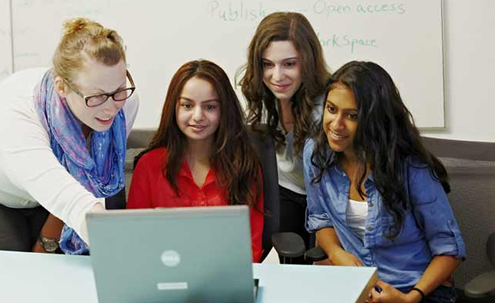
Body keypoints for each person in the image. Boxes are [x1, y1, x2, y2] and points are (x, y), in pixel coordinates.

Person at [0, 18, 139, 255]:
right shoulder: (18, 115)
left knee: (67, 268)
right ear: (62, 87)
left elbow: (83, 182)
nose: (111, 108)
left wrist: (47, 241)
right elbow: (63, 194)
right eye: (97, 96)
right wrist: (117, 247)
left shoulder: (125, 103)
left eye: (118, 91)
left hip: (48, 194)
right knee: (11, 273)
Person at [304, 61, 465, 303]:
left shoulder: (411, 168)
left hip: (416, 291)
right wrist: (336, 253)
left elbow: (449, 250)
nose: (336, 125)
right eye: (331, 109)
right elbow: (320, 218)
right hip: (357, 290)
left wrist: (410, 298)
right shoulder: (316, 155)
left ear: (373, 120)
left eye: (352, 116)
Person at [127, 59, 264, 262]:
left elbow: (250, 248)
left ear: (224, 110)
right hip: (165, 279)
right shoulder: (149, 165)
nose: (198, 116)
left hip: (224, 281)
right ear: (174, 108)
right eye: (187, 105)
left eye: (209, 107)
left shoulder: (243, 165)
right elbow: (135, 241)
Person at [238, 11, 331, 261]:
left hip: (327, 196)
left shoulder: (330, 107)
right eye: (268, 64)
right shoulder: (261, 94)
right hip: (284, 189)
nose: (277, 76)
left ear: (308, 62)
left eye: (289, 64)